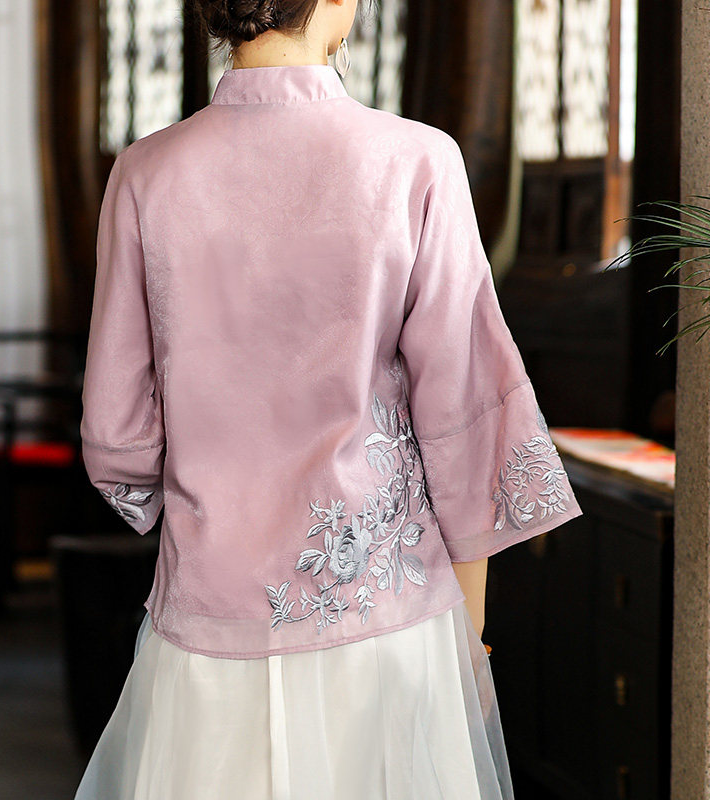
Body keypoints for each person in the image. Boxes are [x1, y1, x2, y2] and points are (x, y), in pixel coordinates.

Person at [72, 0, 584, 797]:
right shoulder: (417, 161)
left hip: (211, 614)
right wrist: (471, 631)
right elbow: (464, 410)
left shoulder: (145, 172)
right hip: (385, 619)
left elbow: (117, 436)